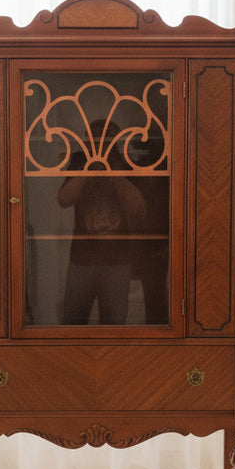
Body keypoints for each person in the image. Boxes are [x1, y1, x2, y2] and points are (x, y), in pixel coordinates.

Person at [58, 120, 145, 325]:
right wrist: (87, 170)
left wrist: (116, 175)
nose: (99, 142)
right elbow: (63, 200)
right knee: (72, 325)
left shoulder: (124, 163)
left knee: (114, 327)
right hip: (82, 260)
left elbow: (138, 209)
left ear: (114, 141)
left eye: (105, 137)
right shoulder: (79, 161)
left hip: (117, 261)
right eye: (93, 136)